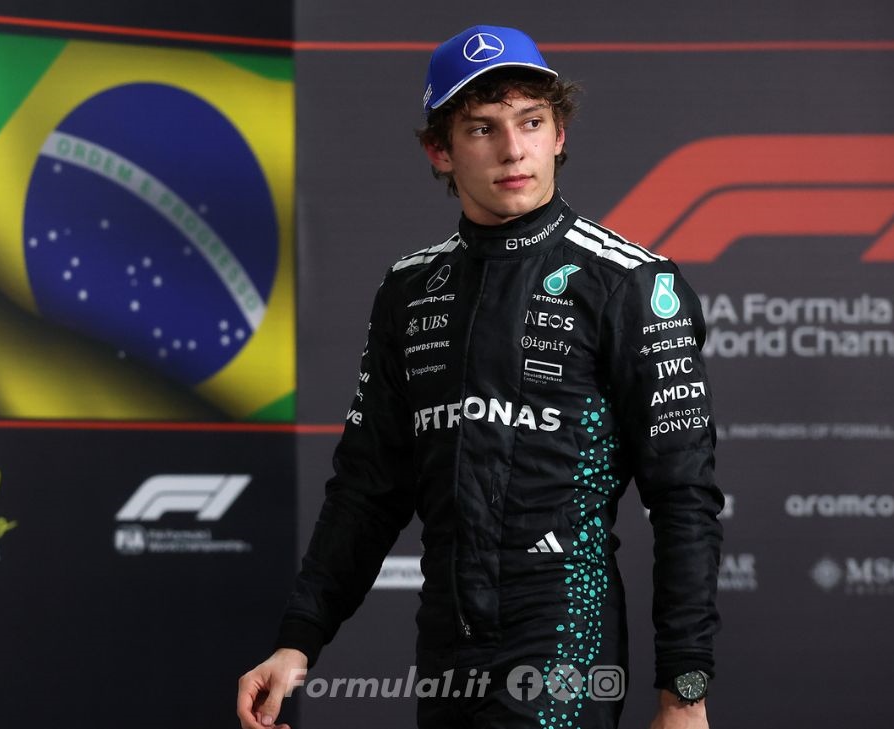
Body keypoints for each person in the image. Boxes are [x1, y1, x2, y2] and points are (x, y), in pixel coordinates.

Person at [237, 24, 722, 729]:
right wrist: (298, 639)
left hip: (565, 638)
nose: (513, 149)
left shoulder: (630, 283)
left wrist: (685, 692)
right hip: (446, 646)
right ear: (440, 151)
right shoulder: (410, 289)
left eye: (531, 121)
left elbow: (684, 498)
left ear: (559, 134)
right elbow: (368, 488)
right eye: (482, 128)